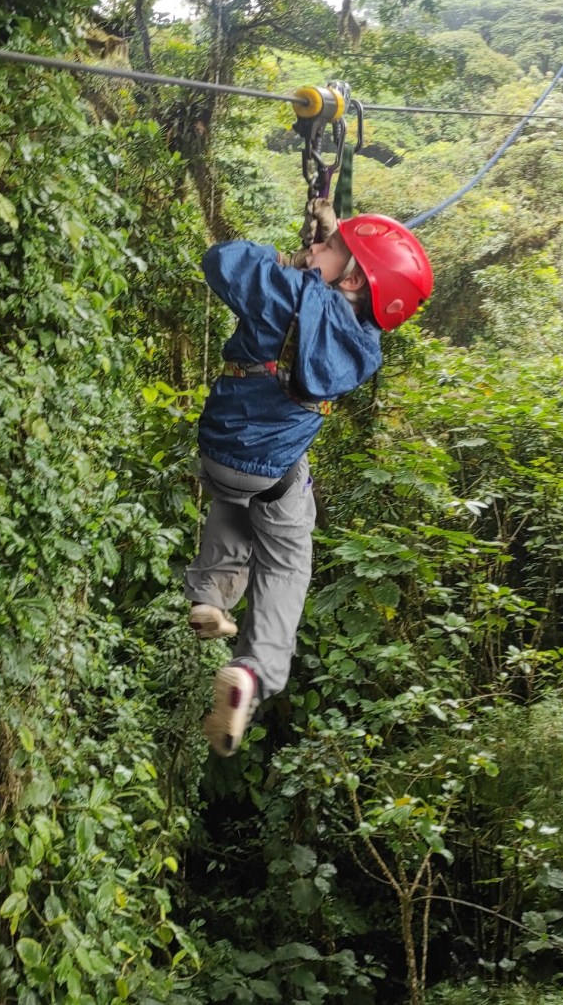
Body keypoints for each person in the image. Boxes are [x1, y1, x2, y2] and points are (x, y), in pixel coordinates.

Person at [185, 199, 433, 757]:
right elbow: (352, 308)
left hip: (220, 450)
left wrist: (295, 259)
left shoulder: (286, 292)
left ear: (349, 278)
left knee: (235, 499)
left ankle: (210, 596)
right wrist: (328, 257)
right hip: (269, 470)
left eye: (330, 247)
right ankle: (254, 670)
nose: (317, 246)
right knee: (289, 557)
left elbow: (221, 260)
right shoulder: (365, 348)